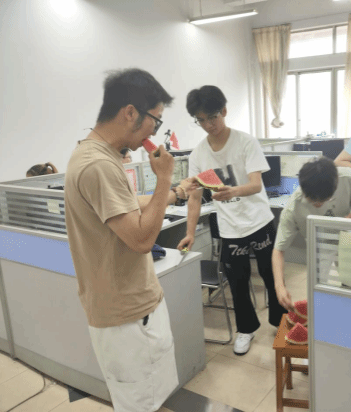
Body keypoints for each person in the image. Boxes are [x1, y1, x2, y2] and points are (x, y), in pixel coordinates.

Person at [64, 68, 193, 412]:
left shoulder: (94, 154)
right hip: (129, 316)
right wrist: (164, 178)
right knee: (142, 403)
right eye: (156, 121)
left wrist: (176, 192)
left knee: (149, 398)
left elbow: (127, 206)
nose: (155, 132)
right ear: (131, 112)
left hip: (129, 310)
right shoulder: (99, 165)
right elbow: (140, 239)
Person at [177, 85, 286, 356]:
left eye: (212, 117)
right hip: (230, 229)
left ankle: (280, 322)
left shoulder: (245, 142)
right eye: (201, 120)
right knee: (237, 283)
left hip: (259, 222)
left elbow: (255, 185)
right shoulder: (198, 155)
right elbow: (194, 198)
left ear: (224, 111)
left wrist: (232, 191)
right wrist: (190, 233)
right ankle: (246, 329)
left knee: (272, 276)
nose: (208, 125)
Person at [272, 157, 351, 311]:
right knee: (318, 290)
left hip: (349, 235)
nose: (318, 204)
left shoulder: (347, 176)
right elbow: (278, 249)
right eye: (313, 201)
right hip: (320, 244)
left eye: (325, 200)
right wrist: (279, 286)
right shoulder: (293, 208)